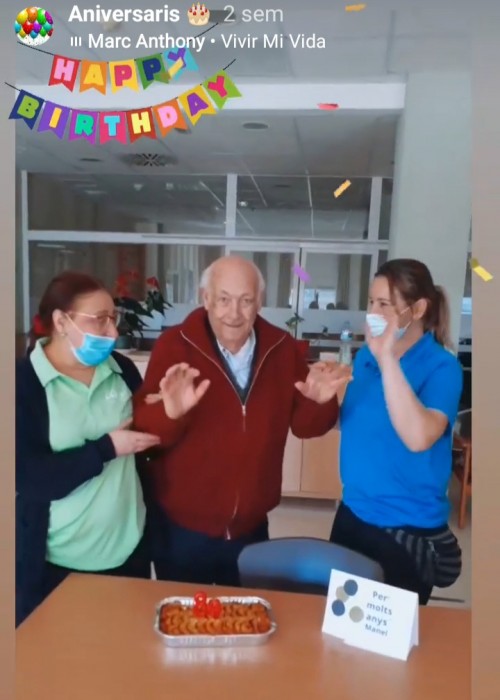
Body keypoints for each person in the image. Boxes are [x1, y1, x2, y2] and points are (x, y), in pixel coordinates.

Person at [133, 256, 351, 586]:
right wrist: (170, 413)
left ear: (259, 302)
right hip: (182, 529)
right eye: (223, 299)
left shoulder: (282, 348)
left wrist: (319, 403)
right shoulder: (175, 346)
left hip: (251, 527)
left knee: (244, 614)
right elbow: (145, 431)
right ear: (206, 298)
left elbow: (306, 426)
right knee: (184, 613)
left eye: (246, 300)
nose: (234, 313)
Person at [16, 271, 160, 626]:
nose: (112, 331)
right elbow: (31, 478)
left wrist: (169, 411)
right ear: (61, 322)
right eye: (99, 319)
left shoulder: (121, 369)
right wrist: (105, 449)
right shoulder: (23, 385)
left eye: (113, 318)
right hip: (58, 562)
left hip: (128, 549)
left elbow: (146, 439)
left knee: (123, 649)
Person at [324, 258, 463, 604]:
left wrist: (388, 359)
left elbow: (419, 437)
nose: (373, 312)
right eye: (371, 302)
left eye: (385, 304)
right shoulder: (365, 358)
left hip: (405, 528)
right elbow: (353, 423)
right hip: (353, 513)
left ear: (417, 309)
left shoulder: (442, 367)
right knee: (342, 621)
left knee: (388, 633)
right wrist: (321, 399)